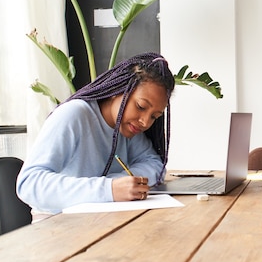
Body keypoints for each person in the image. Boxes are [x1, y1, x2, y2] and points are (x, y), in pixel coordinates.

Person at [17, 52, 175, 219]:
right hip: (56, 224)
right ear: (117, 90)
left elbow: (155, 165)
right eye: (141, 106)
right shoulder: (74, 114)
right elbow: (29, 183)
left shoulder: (128, 127)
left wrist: (120, 183)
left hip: (102, 220)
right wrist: (108, 188)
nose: (145, 122)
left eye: (154, 116)